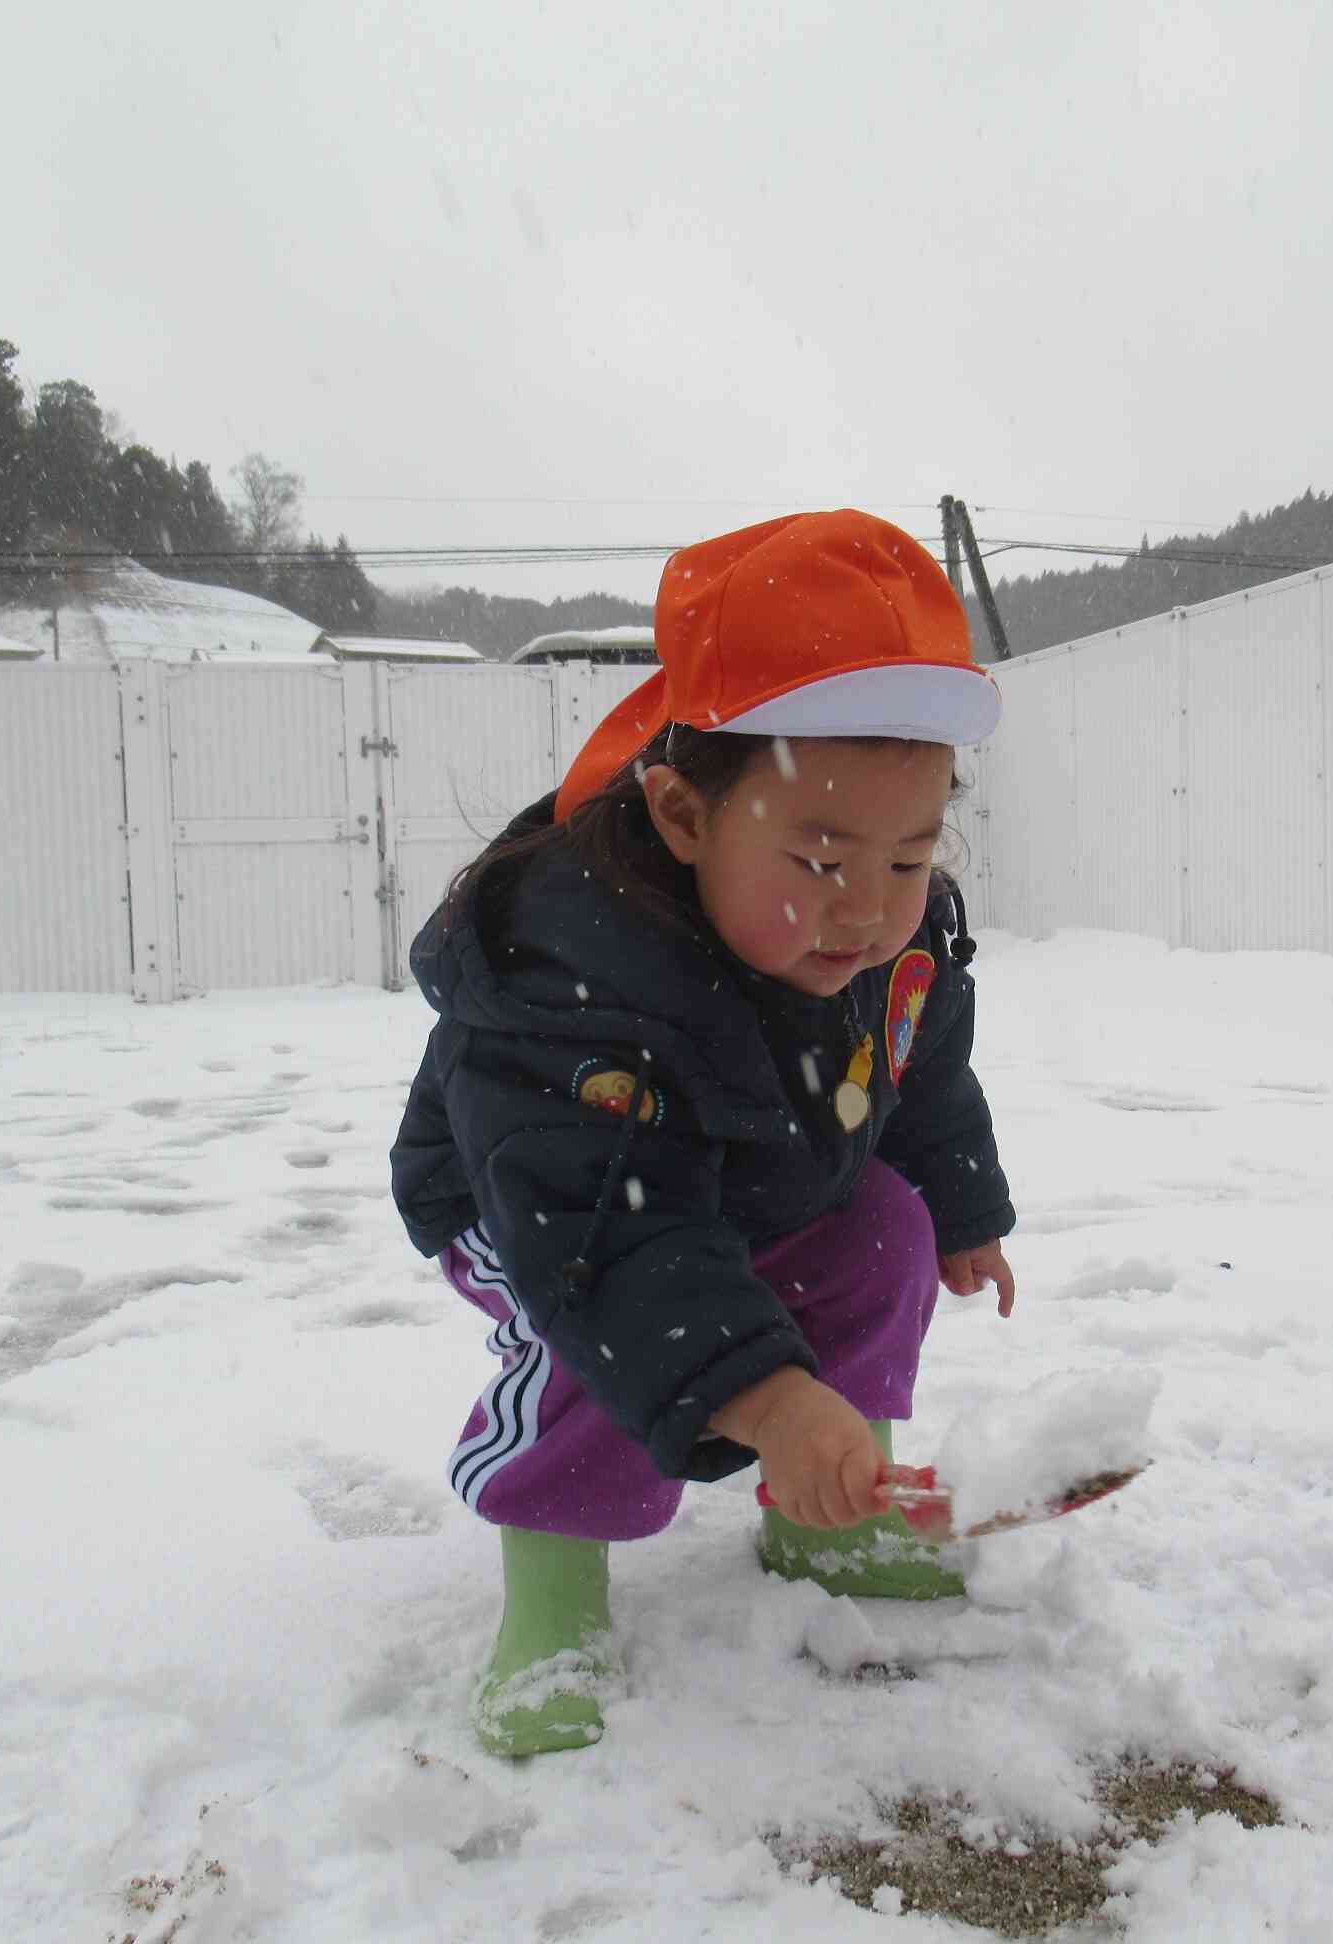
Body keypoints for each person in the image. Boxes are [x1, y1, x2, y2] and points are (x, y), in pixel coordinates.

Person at [390, 509, 1019, 1757]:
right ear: (683, 816)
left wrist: (960, 1205)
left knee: (878, 1230)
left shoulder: (881, 933)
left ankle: (824, 1523)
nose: (869, 912)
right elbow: (616, 1253)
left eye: (908, 857)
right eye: (822, 857)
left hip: (745, 1177)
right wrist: (770, 1397)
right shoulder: (579, 986)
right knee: (595, 1330)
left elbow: (916, 1054)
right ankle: (554, 1597)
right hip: (539, 1206)